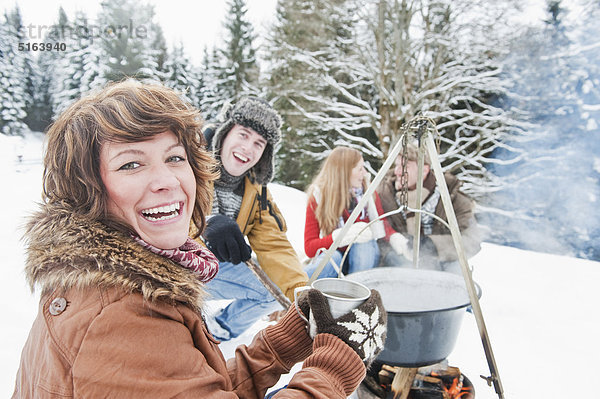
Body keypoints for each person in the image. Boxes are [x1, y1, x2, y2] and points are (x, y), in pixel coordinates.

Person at [12, 80, 387, 398]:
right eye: (131, 163)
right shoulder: (123, 315)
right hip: (202, 272)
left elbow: (190, 384)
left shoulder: (123, 272)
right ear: (86, 188)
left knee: (258, 294)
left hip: (196, 271)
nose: (168, 181)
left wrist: (290, 326)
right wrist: (334, 367)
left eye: (175, 158)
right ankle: (217, 329)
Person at [198, 97, 308, 341]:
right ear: (225, 133)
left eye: (259, 143)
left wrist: (302, 294)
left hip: (212, 272)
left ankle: (217, 330)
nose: (248, 148)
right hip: (164, 268)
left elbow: (274, 245)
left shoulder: (255, 192)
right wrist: (204, 225)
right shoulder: (185, 163)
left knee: (273, 288)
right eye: (243, 135)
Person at [377, 141, 483, 274]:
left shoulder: (451, 197)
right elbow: (375, 228)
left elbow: (472, 241)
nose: (397, 171)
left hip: (442, 259)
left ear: (424, 170)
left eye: (405, 166)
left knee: (457, 270)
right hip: (401, 258)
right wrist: (397, 242)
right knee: (395, 263)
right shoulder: (384, 193)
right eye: (397, 165)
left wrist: (432, 245)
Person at [303, 146, 407, 279]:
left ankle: (354, 293)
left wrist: (394, 237)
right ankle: (294, 289)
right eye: (360, 169)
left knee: (362, 243)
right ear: (344, 172)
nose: (364, 173)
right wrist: (338, 237)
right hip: (338, 256)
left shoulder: (368, 193)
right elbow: (310, 247)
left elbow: (381, 224)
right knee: (330, 258)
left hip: (365, 256)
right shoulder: (319, 197)